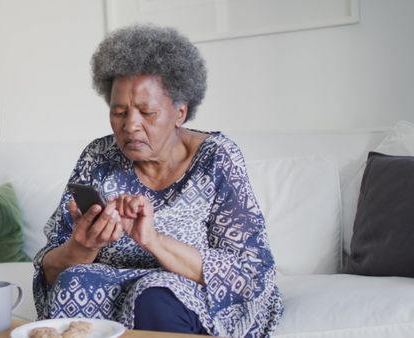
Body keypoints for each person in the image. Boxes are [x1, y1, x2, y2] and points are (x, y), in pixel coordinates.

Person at [32, 24, 283, 337]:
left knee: (154, 294)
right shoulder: (97, 157)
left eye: (146, 112)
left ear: (180, 112)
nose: (130, 126)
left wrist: (154, 240)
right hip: (115, 287)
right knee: (75, 282)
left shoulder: (216, 158)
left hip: (192, 297)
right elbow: (51, 270)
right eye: (118, 112)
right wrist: (82, 247)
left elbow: (251, 274)